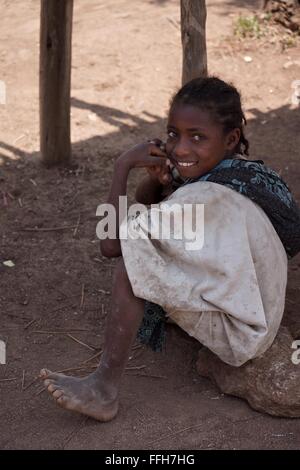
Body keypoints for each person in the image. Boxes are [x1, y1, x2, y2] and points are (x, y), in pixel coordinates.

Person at [40, 76, 300, 421]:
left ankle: (104, 388)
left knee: (133, 262)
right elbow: (147, 200)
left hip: (242, 332)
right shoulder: (243, 175)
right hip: (257, 308)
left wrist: (122, 167)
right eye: (173, 133)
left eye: (197, 137)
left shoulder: (202, 197)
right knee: (145, 241)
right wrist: (157, 178)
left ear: (231, 139)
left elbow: (110, 243)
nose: (179, 149)